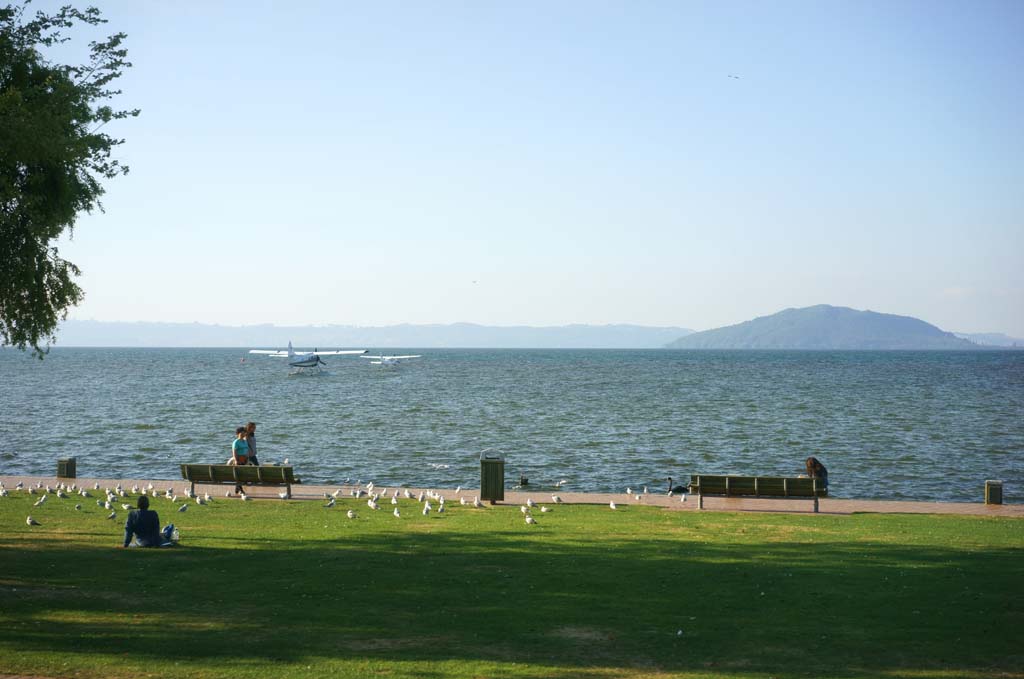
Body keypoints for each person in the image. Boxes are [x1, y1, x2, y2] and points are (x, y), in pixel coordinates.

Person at [230, 426, 249, 494]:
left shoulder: (245, 441)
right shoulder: (236, 442)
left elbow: (247, 450)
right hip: (238, 460)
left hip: (244, 460)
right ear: (238, 434)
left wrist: (247, 458)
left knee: (242, 475)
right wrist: (236, 460)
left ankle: (237, 488)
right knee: (239, 475)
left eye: (244, 433)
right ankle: (241, 489)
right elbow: (234, 452)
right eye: (242, 433)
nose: (243, 434)